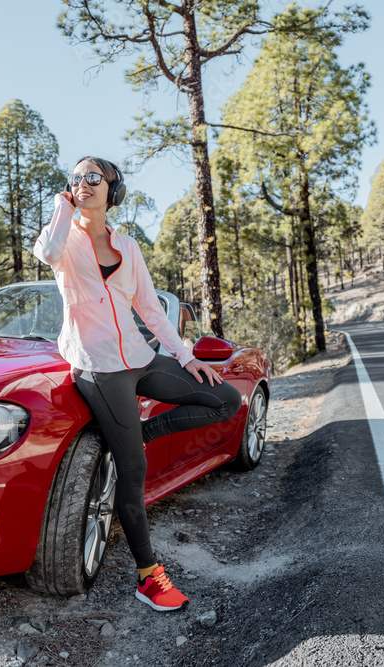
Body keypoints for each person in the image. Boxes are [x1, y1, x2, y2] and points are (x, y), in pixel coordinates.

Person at [31, 156, 242, 612]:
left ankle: (135, 436)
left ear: (113, 189)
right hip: (99, 367)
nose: (83, 184)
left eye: (94, 177)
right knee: (134, 471)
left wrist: (185, 357)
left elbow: (149, 309)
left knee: (225, 398)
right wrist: (60, 207)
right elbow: (45, 253)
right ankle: (149, 577)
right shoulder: (64, 240)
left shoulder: (128, 245)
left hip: (140, 358)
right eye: (76, 179)